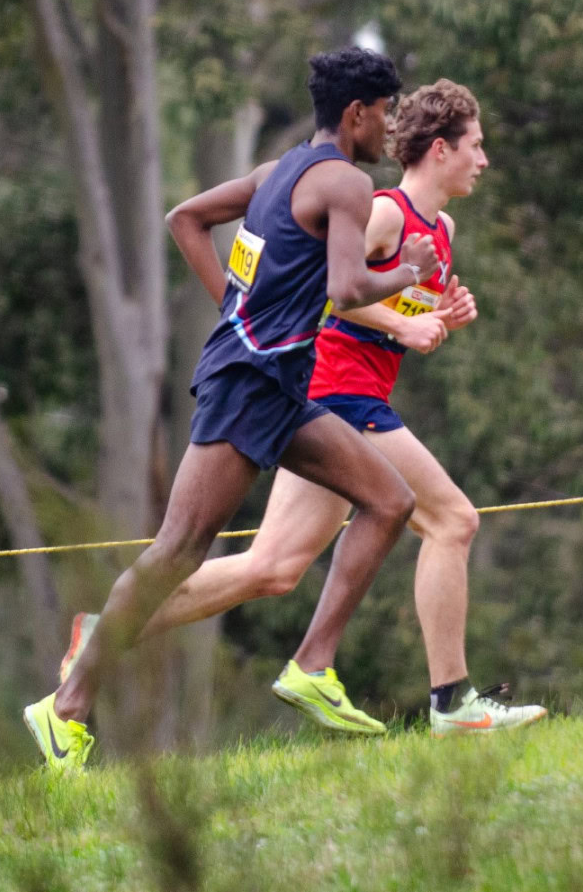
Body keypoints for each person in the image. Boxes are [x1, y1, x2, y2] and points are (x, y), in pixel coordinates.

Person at [49, 80, 546, 737]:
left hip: (337, 398)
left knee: (274, 568)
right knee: (452, 520)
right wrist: (402, 325)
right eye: (476, 146)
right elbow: (334, 293)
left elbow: (395, 311)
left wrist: (440, 317)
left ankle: (102, 634)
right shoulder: (385, 213)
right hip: (338, 393)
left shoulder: (443, 229)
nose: (484, 160)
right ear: (439, 149)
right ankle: (453, 703)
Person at [23, 46, 436, 771]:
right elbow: (345, 289)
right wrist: (407, 273)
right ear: (357, 113)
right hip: (248, 385)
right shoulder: (342, 180)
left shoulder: (278, 171)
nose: (392, 126)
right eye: (388, 111)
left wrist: (235, 310)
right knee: (178, 549)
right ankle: (64, 710)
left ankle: (311, 665)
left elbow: (186, 219)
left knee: (388, 500)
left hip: (277, 386)